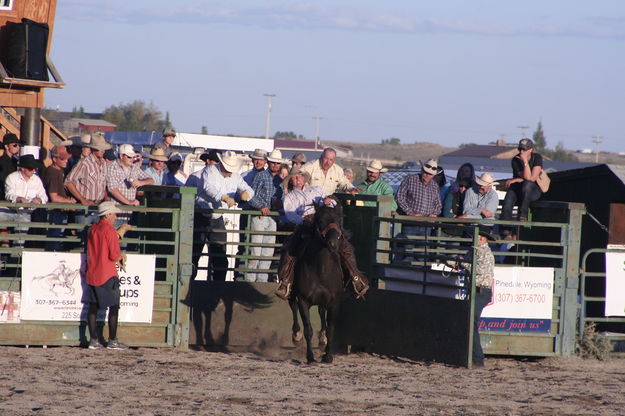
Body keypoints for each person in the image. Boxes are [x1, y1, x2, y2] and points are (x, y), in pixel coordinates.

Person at [275, 167, 369, 300]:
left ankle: (356, 278)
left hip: (324, 222)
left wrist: (328, 201)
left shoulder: (316, 190)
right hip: (305, 225)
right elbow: (290, 215)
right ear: (290, 181)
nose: (297, 179)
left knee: (345, 245)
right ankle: (285, 282)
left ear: (303, 177)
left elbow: (334, 202)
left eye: (299, 176)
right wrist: (303, 220)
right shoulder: (290, 197)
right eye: (294, 178)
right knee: (290, 248)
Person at [191, 150, 254, 280]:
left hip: (217, 217)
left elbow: (248, 189)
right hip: (200, 215)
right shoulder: (211, 171)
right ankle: (189, 287)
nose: (229, 171)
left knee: (220, 258)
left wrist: (246, 194)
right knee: (194, 255)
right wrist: (224, 197)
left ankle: (217, 288)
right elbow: (208, 187)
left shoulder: (236, 177)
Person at [85, 201, 132, 350]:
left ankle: (93, 340)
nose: (115, 216)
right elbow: (114, 255)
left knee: (92, 307)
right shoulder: (110, 231)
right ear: (108, 215)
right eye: (114, 213)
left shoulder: (92, 229)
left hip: (93, 272)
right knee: (114, 306)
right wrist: (120, 254)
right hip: (107, 273)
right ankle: (112, 340)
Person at [446, 225, 495, 367]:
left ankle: (477, 359)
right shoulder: (473, 251)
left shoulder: (485, 254)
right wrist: (453, 262)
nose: (478, 240)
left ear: (485, 240)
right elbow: (465, 264)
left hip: (481, 290)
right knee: (469, 322)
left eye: (481, 238)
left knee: (471, 322)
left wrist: (462, 262)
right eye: (477, 237)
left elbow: (478, 269)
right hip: (475, 290)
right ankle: (473, 357)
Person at [246, 149, 284, 282]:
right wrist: (260, 206)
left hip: (272, 218)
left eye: (277, 163)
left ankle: (261, 281)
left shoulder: (280, 180)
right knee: (255, 251)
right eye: (273, 163)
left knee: (268, 252)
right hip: (259, 216)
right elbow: (250, 196)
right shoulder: (260, 176)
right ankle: (251, 281)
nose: (275, 165)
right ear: (268, 162)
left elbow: (281, 198)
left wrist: (279, 203)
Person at [395, 159, 442, 263]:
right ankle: (406, 277)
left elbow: (438, 205)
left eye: (430, 174)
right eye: (425, 172)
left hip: (426, 225)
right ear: (422, 170)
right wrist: (410, 213)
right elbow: (399, 197)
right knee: (408, 253)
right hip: (411, 223)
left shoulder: (434, 186)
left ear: (433, 175)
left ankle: (419, 276)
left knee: (422, 255)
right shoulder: (410, 179)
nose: (427, 175)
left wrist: (434, 214)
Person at [4, 155, 48, 245]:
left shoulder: (36, 180)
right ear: (22, 168)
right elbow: (9, 195)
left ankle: (16, 254)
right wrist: (18, 199)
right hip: (10, 211)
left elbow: (44, 196)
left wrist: (39, 200)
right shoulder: (12, 178)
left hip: (27, 213)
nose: (34, 171)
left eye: (35, 169)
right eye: (31, 169)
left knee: (23, 227)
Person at [501, 138, 543, 226]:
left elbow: (531, 178)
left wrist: (525, 162)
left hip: (533, 191)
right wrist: (519, 179)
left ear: (530, 150)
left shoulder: (537, 158)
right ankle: (505, 229)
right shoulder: (515, 160)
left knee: (528, 184)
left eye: (524, 149)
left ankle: (523, 215)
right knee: (508, 199)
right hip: (518, 189)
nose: (521, 152)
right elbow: (527, 177)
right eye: (520, 149)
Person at [41, 145, 77, 251]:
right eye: (62, 158)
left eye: (67, 158)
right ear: (54, 159)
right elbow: (54, 197)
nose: (66, 161)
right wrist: (69, 202)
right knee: (55, 240)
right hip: (55, 212)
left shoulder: (60, 170)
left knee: (59, 239)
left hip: (60, 211)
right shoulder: (52, 172)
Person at [0, 133, 22, 200]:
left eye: (19, 145)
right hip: (4, 195)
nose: (18, 147)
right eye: (15, 145)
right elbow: (3, 180)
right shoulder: (1, 162)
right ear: (6, 146)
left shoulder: (15, 160)